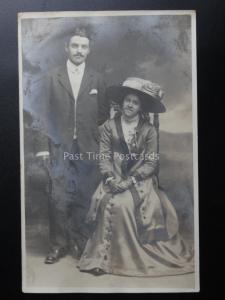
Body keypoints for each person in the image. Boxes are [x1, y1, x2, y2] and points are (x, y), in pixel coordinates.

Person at [78, 77, 194, 277]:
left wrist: (130, 180)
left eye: (135, 102)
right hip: (113, 176)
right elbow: (104, 155)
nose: (130, 105)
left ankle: (122, 261)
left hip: (140, 180)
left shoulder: (148, 130)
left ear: (141, 107)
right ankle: (100, 260)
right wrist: (109, 178)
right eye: (128, 100)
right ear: (122, 102)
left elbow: (150, 162)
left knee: (123, 206)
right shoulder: (109, 126)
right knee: (105, 202)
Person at [35, 26, 109, 264]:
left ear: (89, 50)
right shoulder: (50, 77)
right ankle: (58, 245)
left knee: (85, 195)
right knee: (58, 195)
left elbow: (102, 114)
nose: (79, 50)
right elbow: (41, 114)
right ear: (66, 47)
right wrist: (43, 146)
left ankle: (80, 242)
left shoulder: (97, 78)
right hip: (59, 146)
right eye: (75, 45)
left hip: (88, 147)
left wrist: (91, 138)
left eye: (84, 46)